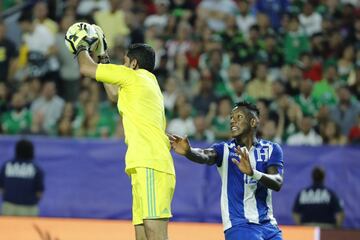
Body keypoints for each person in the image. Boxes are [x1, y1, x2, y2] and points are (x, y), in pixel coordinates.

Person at [65, 23, 175, 240]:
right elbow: (114, 95)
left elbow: (86, 68)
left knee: (155, 235)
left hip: (151, 163)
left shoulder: (133, 77)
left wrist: (81, 46)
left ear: (133, 63)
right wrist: (104, 55)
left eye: (124, 62)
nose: (121, 66)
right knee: (142, 236)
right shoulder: (144, 82)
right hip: (144, 164)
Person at [169, 101, 284, 240]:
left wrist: (253, 172)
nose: (232, 121)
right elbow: (205, 154)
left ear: (253, 122)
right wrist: (189, 152)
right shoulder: (224, 149)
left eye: (239, 117)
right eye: (231, 118)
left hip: (269, 226)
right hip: (240, 225)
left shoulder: (272, 149)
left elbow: (277, 182)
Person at [0, 139, 45, 216]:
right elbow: (39, 191)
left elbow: (1, 188)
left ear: (17, 150)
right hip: (29, 209)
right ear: (31, 151)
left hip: (9, 208)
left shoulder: (7, 166)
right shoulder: (35, 168)